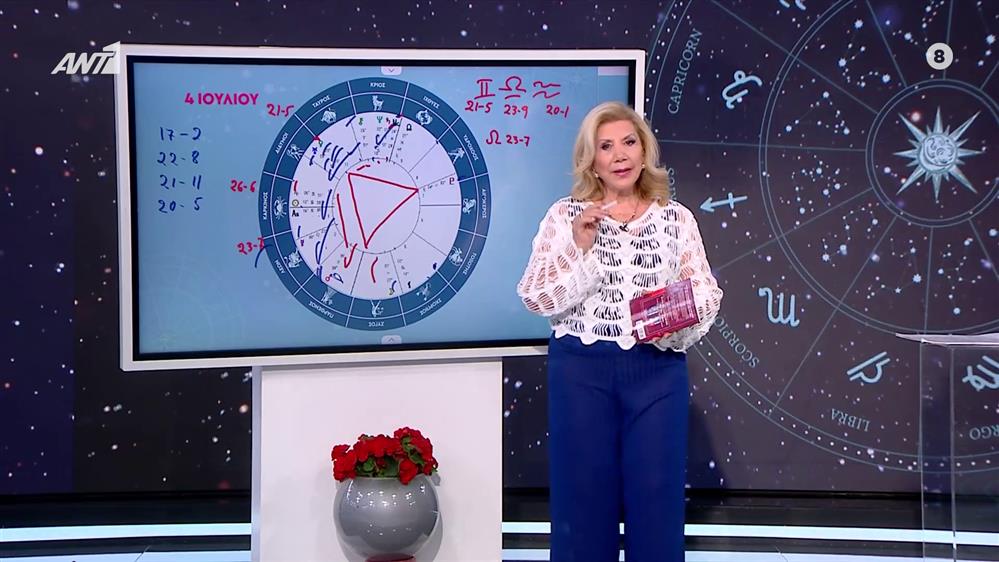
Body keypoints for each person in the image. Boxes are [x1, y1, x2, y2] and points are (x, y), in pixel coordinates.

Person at [516, 101, 723, 562]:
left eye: (629, 142)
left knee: (657, 500)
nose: (620, 155)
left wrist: (667, 325)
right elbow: (535, 296)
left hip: (657, 373)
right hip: (580, 372)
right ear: (591, 160)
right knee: (583, 501)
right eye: (606, 146)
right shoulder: (565, 216)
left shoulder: (676, 218)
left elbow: (706, 294)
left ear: (644, 151)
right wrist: (579, 248)